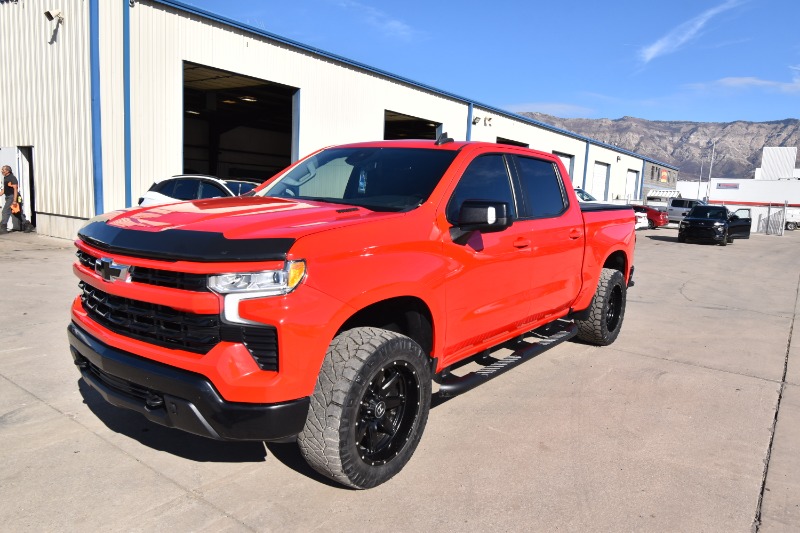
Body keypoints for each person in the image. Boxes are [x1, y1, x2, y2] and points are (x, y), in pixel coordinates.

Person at [1, 165, 20, 233]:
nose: (2, 171)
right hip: (8, 197)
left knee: (5, 211)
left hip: (12, 197)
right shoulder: (6, 178)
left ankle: (3, 228)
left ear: (7, 171)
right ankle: (27, 225)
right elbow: (5, 189)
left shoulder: (12, 178)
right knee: (16, 212)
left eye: (3, 170)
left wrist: (14, 200)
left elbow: (15, 189)